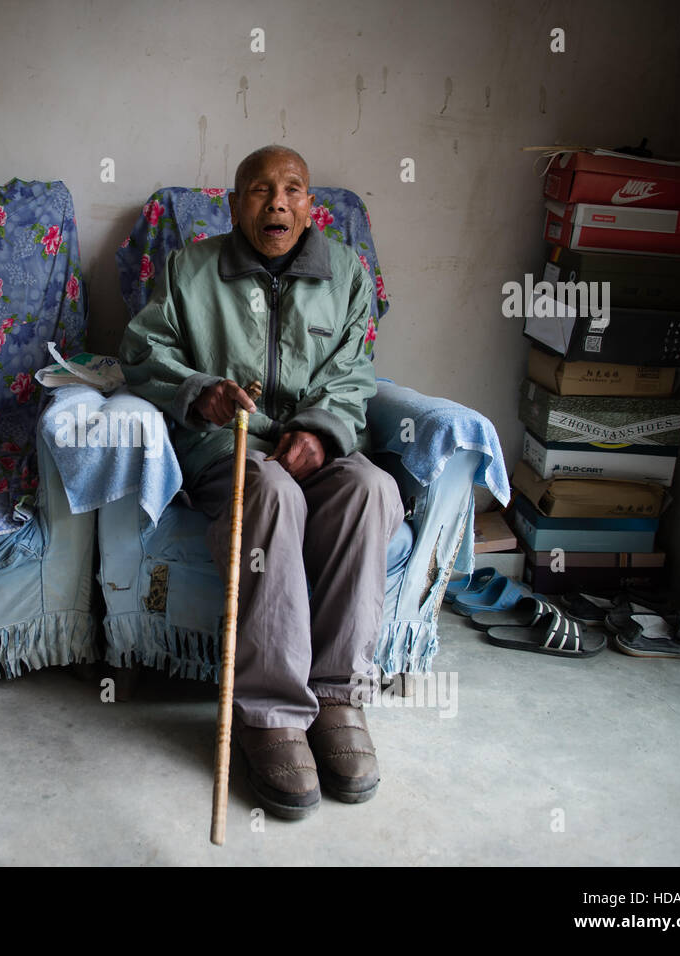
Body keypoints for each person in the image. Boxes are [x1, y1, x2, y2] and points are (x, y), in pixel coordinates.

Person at [118, 145, 404, 817]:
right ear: (234, 202)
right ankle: (270, 714)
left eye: (292, 189)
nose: (275, 201)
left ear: (310, 206)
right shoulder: (188, 269)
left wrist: (321, 430)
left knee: (373, 491)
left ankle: (336, 699)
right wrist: (198, 391)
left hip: (320, 445)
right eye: (258, 190)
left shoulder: (346, 274)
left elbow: (355, 373)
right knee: (270, 493)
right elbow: (140, 353)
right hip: (230, 446)